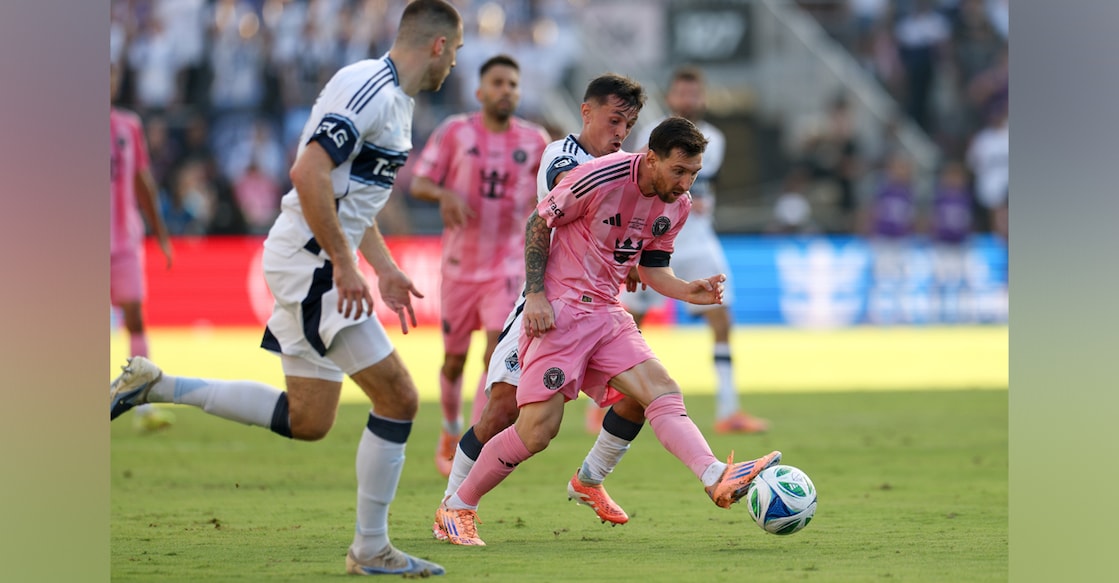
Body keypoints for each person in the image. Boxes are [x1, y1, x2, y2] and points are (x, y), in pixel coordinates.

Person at [109, 0, 463, 576]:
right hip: (313, 264)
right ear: (438, 46)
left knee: (310, 419)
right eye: (459, 49)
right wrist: (346, 267)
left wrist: (384, 267)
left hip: (316, 259)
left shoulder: (395, 102)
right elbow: (308, 174)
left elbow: (350, 199)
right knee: (399, 398)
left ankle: (156, 384)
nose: (456, 64)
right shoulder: (369, 86)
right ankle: (370, 549)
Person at [435, 116, 782, 546]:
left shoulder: (679, 204)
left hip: (606, 313)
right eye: (679, 170)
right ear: (651, 159)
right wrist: (538, 296)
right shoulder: (599, 176)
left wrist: (687, 292)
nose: (686, 182)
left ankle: (715, 476)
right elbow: (538, 224)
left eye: (693, 173)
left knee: (658, 390)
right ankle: (458, 507)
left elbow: (654, 267)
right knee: (537, 432)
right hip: (560, 314)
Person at [432, 74, 651, 541]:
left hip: (594, 313)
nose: (620, 132)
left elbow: (621, 224)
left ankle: (590, 479)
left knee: (642, 394)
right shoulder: (563, 155)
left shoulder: (620, 165)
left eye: (629, 124)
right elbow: (570, 205)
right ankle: (451, 509)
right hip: (544, 304)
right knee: (501, 412)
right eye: (614, 119)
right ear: (586, 111)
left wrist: (628, 255)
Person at [410, 54, 550, 478]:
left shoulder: (535, 141)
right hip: (457, 266)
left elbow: (551, 199)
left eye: (513, 84)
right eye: (498, 83)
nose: (506, 90)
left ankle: (473, 440)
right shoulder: (455, 131)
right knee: (454, 360)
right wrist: (444, 196)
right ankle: (450, 430)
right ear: (480, 92)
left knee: (494, 354)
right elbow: (419, 182)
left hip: (507, 267)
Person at [621, 66, 769, 435]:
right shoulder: (650, 133)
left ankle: (728, 408)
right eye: (682, 93)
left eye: (694, 93)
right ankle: (609, 401)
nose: (688, 100)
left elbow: (692, 183)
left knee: (722, 318)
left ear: (702, 98)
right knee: (628, 326)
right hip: (653, 239)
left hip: (697, 239)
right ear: (671, 97)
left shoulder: (713, 139)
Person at [111, 61, 175, 432]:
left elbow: (143, 183)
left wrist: (161, 234)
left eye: (114, 74)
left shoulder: (128, 125)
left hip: (124, 242)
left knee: (136, 317)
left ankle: (142, 408)